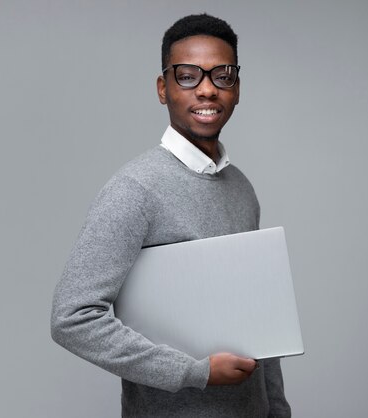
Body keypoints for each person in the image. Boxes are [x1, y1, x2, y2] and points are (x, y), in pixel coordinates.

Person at [51, 13, 291, 417]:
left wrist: (278, 410)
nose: (207, 90)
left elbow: (260, 321)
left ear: (237, 88)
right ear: (163, 89)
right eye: (187, 76)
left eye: (222, 75)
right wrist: (193, 372)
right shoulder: (135, 188)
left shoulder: (241, 188)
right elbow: (72, 319)